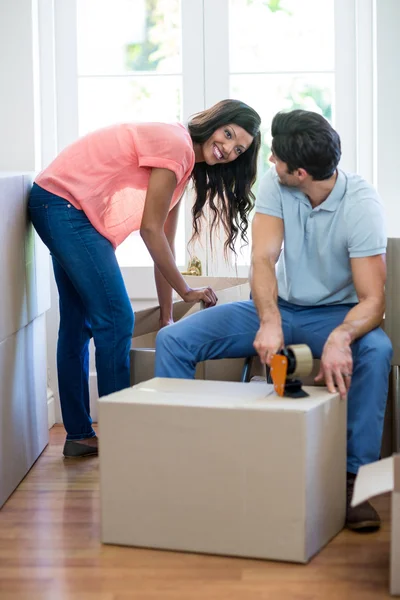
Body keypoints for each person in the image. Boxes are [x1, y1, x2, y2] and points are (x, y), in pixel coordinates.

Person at [155, 109, 392, 532]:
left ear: (299, 172)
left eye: (277, 158)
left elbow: (373, 300)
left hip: (334, 316)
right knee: (175, 340)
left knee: (376, 350)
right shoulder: (276, 185)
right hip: (277, 307)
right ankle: (180, 463)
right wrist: (269, 320)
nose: (269, 162)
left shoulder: (361, 205)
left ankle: (354, 481)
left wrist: (341, 337)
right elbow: (262, 258)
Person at [28, 99, 262, 458]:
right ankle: (124, 440)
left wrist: (169, 315)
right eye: (228, 134)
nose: (229, 149)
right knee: (117, 319)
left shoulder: (182, 168)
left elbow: (163, 243)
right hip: (64, 206)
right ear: (214, 122)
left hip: (58, 204)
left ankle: (78, 435)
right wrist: (186, 290)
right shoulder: (178, 146)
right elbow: (150, 231)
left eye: (239, 149)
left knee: (78, 325)